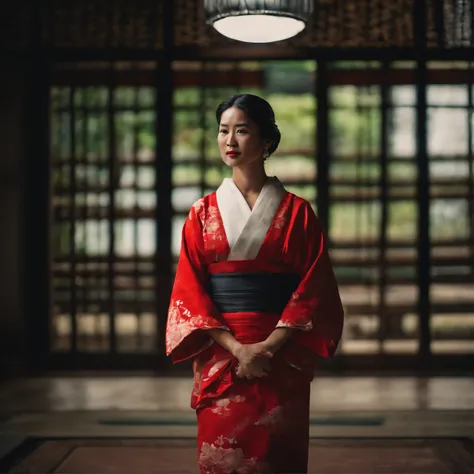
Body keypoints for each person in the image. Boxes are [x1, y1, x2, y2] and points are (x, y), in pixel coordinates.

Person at [166, 93, 344, 474]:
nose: (229, 141)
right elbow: (190, 291)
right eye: (223, 130)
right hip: (221, 357)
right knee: (222, 459)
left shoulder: (297, 213)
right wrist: (236, 349)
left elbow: (315, 289)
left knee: (277, 458)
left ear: (266, 142)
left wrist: (266, 348)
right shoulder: (201, 213)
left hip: (278, 357)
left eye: (242, 131)